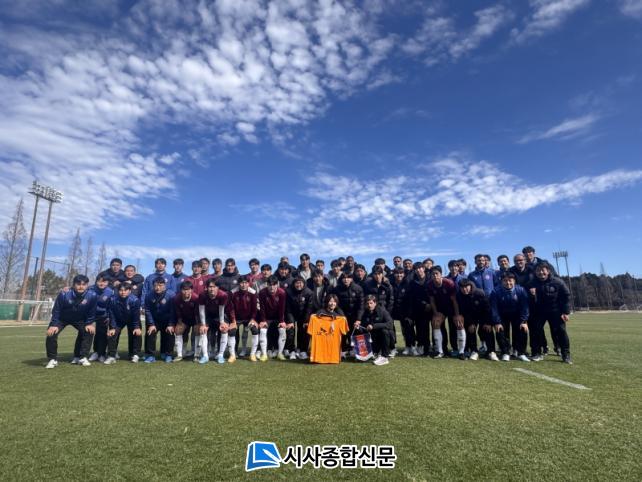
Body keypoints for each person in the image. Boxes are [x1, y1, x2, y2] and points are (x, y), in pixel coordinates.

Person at [45, 275, 97, 368]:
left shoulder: (92, 295)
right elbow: (56, 310)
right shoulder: (64, 294)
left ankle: (82, 357)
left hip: (79, 319)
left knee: (89, 331)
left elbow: (92, 311)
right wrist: (54, 324)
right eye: (78, 284)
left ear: (87, 285)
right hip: (62, 318)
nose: (81, 286)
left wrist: (89, 323)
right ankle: (52, 359)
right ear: (73, 285)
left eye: (84, 284)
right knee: (51, 333)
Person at [530, 262, 573, 364]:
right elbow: (526, 299)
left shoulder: (558, 282)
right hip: (539, 311)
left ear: (548, 271)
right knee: (535, 332)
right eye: (538, 271)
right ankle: (536, 353)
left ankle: (566, 355)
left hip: (555, 311)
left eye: (543, 270)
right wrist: (532, 295)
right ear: (535, 272)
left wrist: (565, 312)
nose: (541, 273)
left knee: (561, 332)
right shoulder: (531, 283)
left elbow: (566, 296)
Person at [490, 272, 530, 362]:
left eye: (510, 280)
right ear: (501, 282)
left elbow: (525, 307)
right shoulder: (495, 291)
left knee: (523, 329)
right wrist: (497, 322)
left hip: (517, 315)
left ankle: (521, 352)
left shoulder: (521, 290)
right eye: (505, 281)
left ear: (514, 281)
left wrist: (524, 321)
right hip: (502, 315)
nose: (508, 283)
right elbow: (494, 308)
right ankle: (505, 352)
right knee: (500, 330)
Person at [427, 266, 463, 359]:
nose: (435, 276)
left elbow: (454, 300)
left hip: (451, 307)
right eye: (433, 274)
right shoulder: (430, 284)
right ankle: (441, 351)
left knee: (457, 324)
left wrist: (457, 315)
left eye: (437, 274)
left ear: (441, 274)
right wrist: (435, 313)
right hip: (440, 309)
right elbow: (432, 300)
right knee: (436, 323)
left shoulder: (449, 283)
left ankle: (460, 351)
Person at [104, 282, 142, 364]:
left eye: (125, 290)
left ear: (130, 291)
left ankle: (134, 354)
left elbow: (136, 315)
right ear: (118, 291)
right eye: (121, 290)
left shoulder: (135, 300)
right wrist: (112, 327)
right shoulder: (112, 299)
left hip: (132, 320)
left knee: (137, 333)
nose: (123, 292)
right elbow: (111, 314)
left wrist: (136, 327)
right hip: (118, 320)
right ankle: (112, 356)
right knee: (112, 334)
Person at [307, 294, 348, 364]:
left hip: (333, 358)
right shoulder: (316, 316)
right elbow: (310, 332)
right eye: (330, 301)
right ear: (327, 302)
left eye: (334, 302)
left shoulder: (340, 318)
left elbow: (345, 332)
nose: (332, 303)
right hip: (318, 357)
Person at [456, 279, 491, 360]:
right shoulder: (459, 295)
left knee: (487, 329)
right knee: (470, 329)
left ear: (470, 286)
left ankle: (490, 351)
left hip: (482, 315)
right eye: (462, 288)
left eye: (466, 287)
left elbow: (487, 308)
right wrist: (471, 323)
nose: (464, 289)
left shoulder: (480, 293)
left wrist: (487, 322)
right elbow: (464, 311)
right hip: (471, 316)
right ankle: (474, 350)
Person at [332, 272, 364, 357]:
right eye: (344, 278)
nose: (346, 280)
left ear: (351, 279)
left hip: (354, 314)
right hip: (342, 314)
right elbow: (336, 304)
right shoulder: (337, 289)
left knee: (354, 331)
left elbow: (361, 305)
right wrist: (342, 316)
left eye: (348, 278)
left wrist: (358, 319)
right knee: (342, 332)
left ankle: (353, 348)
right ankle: (343, 349)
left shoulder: (358, 288)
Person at [143, 277, 175, 363]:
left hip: (167, 320)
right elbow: (147, 310)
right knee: (150, 333)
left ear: (165, 285)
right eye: (155, 285)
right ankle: (150, 355)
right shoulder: (148, 295)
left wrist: (170, 324)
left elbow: (173, 311)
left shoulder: (171, 295)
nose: (158, 287)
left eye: (160, 285)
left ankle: (168, 354)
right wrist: (151, 324)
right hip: (154, 320)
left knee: (169, 333)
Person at [355, 295, 395, 366]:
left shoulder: (382, 311)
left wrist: (374, 326)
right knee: (358, 331)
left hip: (384, 337)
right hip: (373, 338)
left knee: (385, 331)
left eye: (371, 303)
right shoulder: (365, 313)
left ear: (375, 303)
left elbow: (390, 324)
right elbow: (364, 328)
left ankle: (384, 357)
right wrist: (358, 327)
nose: (369, 305)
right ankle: (370, 352)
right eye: (367, 303)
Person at [198, 279, 231, 363]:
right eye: (210, 287)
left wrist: (222, 322)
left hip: (219, 316)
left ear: (218, 287)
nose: (212, 289)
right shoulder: (202, 295)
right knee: (203, 330)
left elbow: (221, 310)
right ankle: (205, 356)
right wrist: (203, 324)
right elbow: (201, 311)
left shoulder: (223, 295)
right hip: (208, 316)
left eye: (214, 287)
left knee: (224, 329)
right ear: (206, 287)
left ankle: (221, 355)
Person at [257, 276, 286, 362]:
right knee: (263, 330)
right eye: (270, 285)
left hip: (278, 317)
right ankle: (264, 354)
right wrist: (263, 320)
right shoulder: (262, 292)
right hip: (266, 317)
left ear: (277, 284)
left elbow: (282, 308)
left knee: (282, 330)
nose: (272, 287)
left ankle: (280, 353)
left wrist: (281, 321)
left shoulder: (282, 293)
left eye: (274, 285)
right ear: (267, 284)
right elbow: (262, 308)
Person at [171, 280, 200, 362]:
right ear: (181, 290)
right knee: (178, 330)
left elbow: (197, 312)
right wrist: (179, 323)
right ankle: (180, 354)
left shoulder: (196, 298)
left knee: (198, 330)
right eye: (184, 289)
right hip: (184, 319)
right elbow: (178, 312)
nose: (186, 292)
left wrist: (198, 324)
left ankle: (197, 355)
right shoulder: (176, 299)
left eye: (188, 289)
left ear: (191, 290)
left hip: (195, 318)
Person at [87, 274, 114, 363]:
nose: (102, 283)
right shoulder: (90, 289)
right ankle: (94, 352)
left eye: (104, 281)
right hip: (90, 315)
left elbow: (110, 306)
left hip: (103, 316)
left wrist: (109, 316)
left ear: (108, 282)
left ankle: (101, 354)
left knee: (102, 334)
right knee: (88, 333)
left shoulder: (110, 292)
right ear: (96, 281)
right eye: (99, 281)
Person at [230, 275, 258, 359]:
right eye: (242, 283)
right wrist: (233, 320)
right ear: (238, 284)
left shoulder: (253, 293)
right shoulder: (233, 292)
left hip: (249, 318)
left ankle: (252, 354)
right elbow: (231, 308)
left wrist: (252, 319)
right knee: (233, 331)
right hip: (237, 318)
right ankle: (233, 353)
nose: (244, 285)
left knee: (255, 330)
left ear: (248, 283)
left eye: (245, 283)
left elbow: (254, 308)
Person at [286, 276, 313, 360]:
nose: (298, 285)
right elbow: (288, 308)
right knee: (290, 331)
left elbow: (309, 309)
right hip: (292, 314)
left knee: (304, 330)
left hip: (303, 315)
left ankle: (302, 350)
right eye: (297, 283)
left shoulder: (309, 292)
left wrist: (306, 320)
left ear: (304, 284)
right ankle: (291, 351)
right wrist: (290, 321)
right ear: (294, 284)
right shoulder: (289, 292)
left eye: (300, 283)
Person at [406, 262, 430, 356]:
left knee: (427, 329)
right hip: (418, 308)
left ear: (423, 268)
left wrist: (429, 304)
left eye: (420, 268)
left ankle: (429, 348)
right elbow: (413, 297)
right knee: (420, 329)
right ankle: (421, 346)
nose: (418, 270)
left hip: (431, 307)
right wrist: (424, 304)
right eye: (416, 269)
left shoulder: (429, 279)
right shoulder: (413, 282)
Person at [390, 267, 413, 356]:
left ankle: (408, 346)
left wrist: (409, 313)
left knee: (407, 328)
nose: (399, 275)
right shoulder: (391, 284)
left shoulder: (408, 284)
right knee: (391, 329)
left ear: (404, 274)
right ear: (394, 274)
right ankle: (393, 347)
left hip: (404, 310)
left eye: (401, 273)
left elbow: (410, 300)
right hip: (393, 310)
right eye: (397, 273)